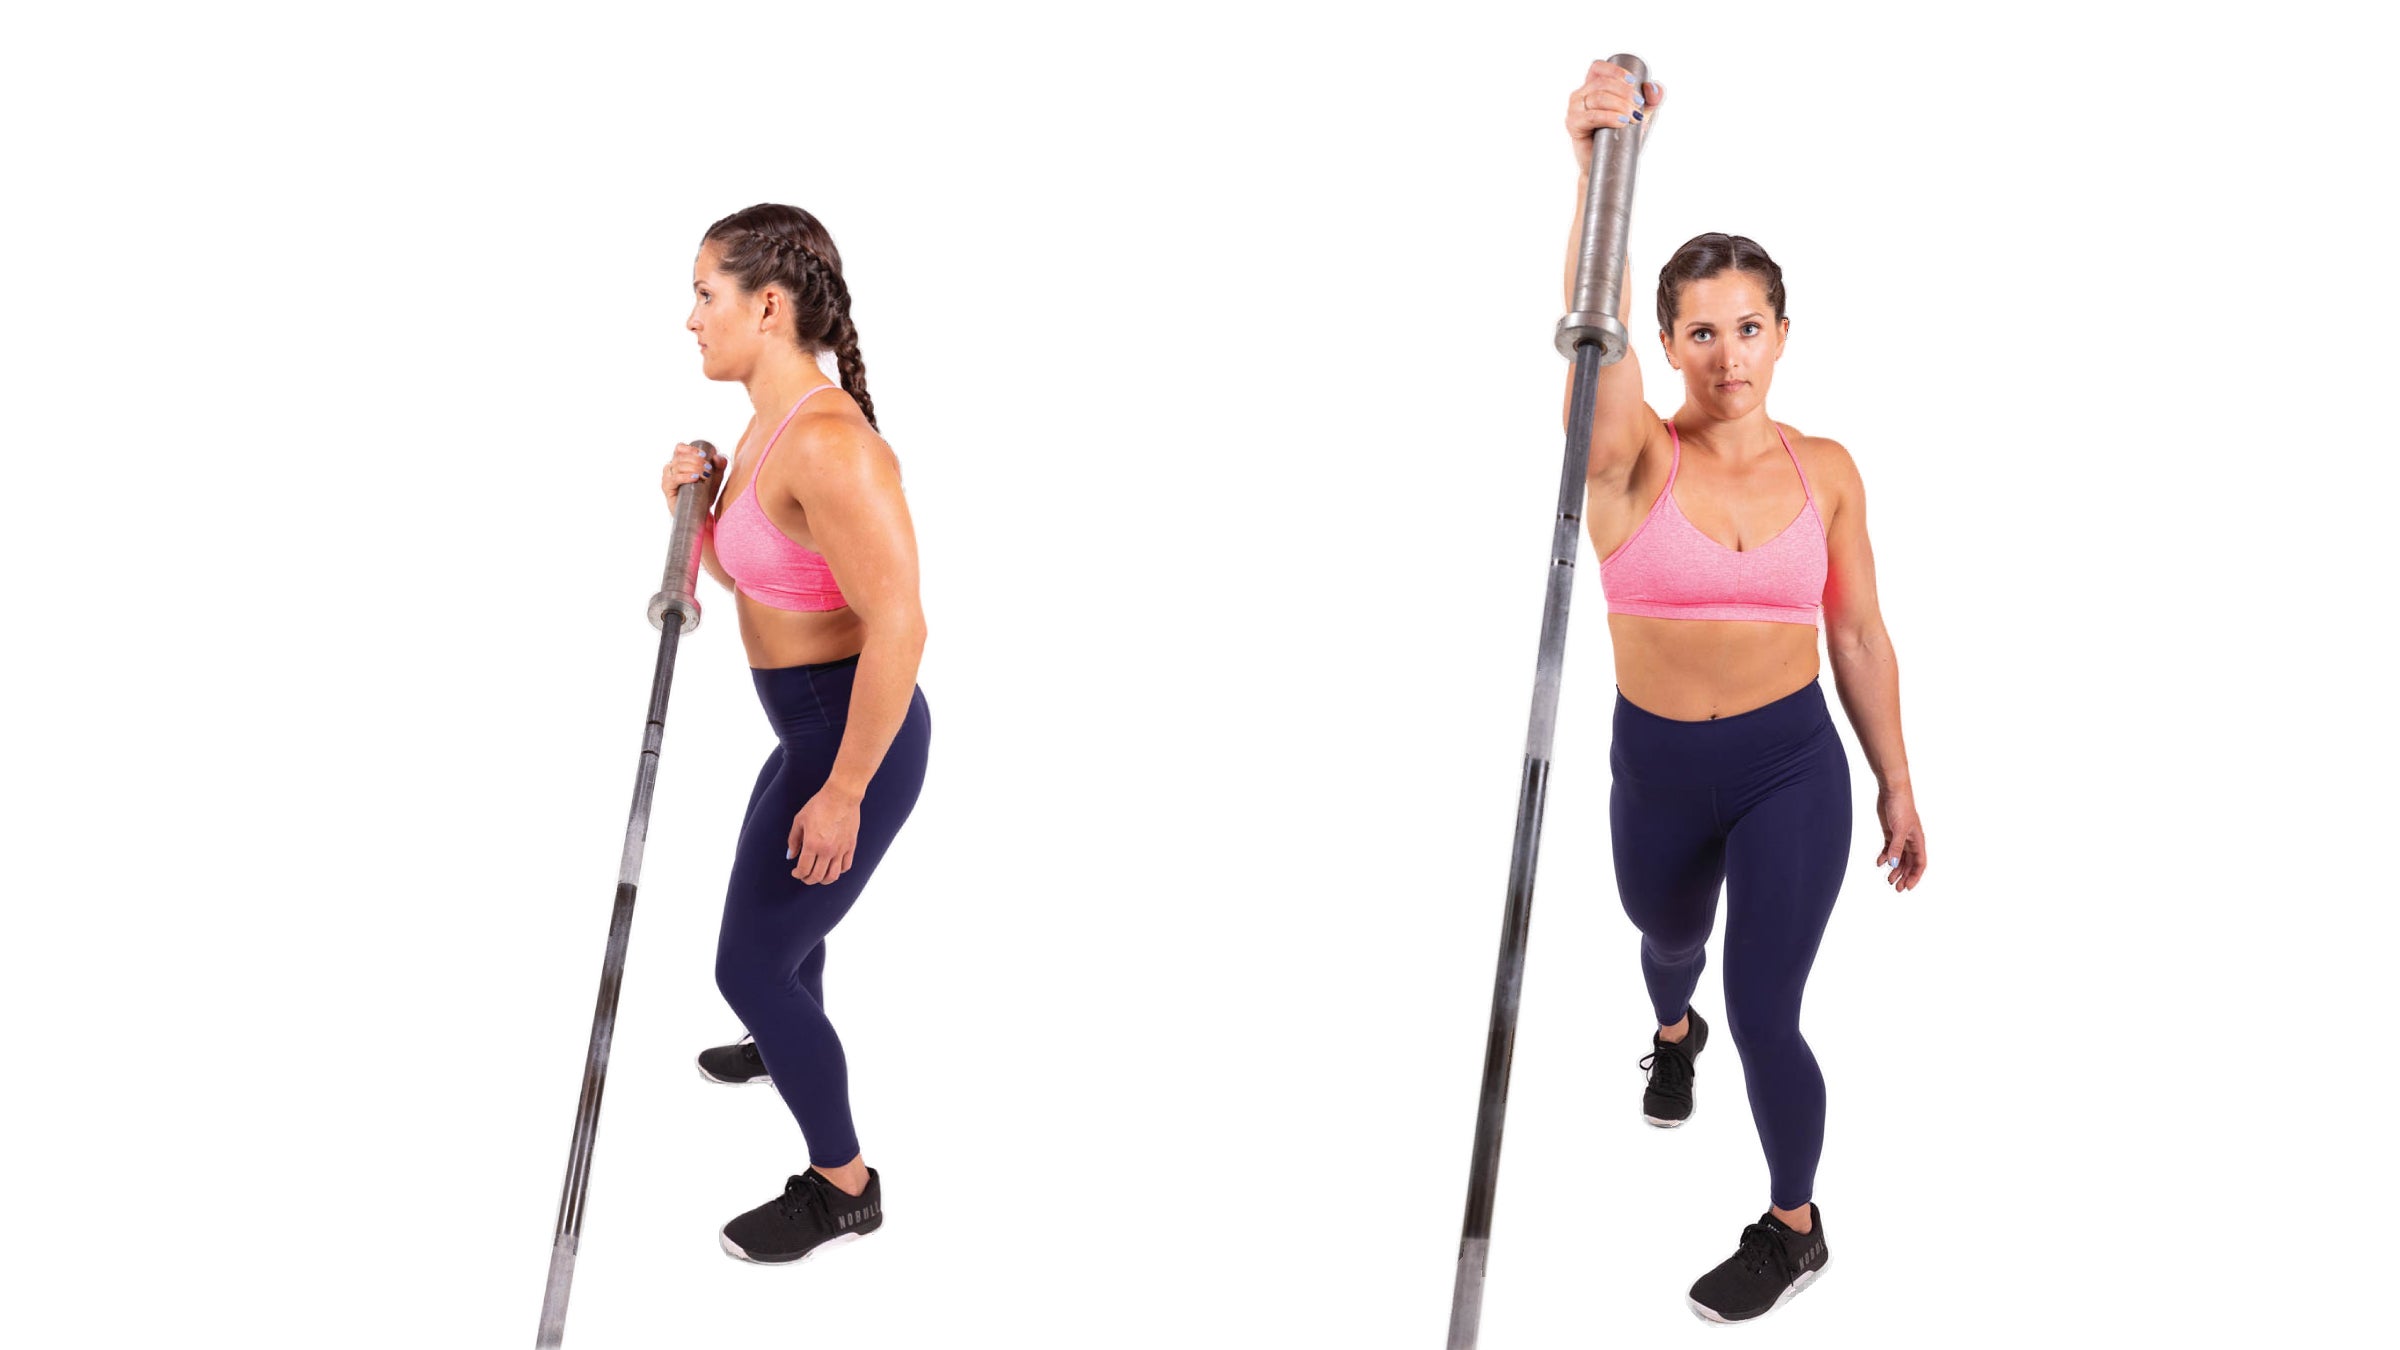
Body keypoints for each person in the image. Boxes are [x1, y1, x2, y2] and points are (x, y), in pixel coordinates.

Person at [1562, 61, 1928, 1323]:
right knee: (1668, 941)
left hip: (1790, 766)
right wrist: (1597, 173)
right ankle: (1673, 1033)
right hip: (1657, 768)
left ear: (1784, 330)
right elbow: (1587, 333)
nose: (1728, 356)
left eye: (1750, 326)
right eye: (1701, 331)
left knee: (1769, 1003)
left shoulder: (1825, 470)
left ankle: (1793, 1225)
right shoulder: (1625, 463)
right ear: (1667, 343)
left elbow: (1863, 633)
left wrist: (1895, 777)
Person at [658, 203, 931, 1265]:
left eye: (705, 293)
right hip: (810, 729)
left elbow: (901, 625)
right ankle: (786, 1042)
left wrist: (847, 787)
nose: (689, 318)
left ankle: (843, 1185)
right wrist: (695, 511)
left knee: (750, 966)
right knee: (777, 953)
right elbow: (772, 588)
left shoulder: (831, 444)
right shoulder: (766, 426)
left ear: (766, 306)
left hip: (857, 737)